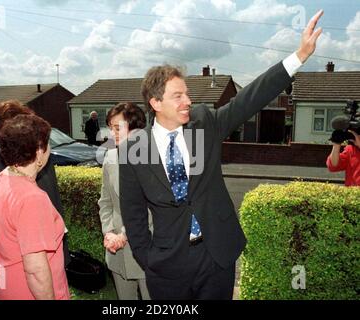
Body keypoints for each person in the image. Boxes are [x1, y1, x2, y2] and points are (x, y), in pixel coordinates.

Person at [119, 10, 324, 299]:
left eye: (187, 94)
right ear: (155, 102)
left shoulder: (204, 122)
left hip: (216, 258)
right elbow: (134, 213)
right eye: (178, 96)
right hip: (167, 268)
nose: (188, 101)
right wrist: (149, 260)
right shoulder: (133, 150)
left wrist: (299, 56)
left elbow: (247, 100)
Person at [0, 100, 70, 279]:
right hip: (7, 265)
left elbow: (54, 202)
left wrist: (63, 254)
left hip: (48, 257)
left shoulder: (42, 156)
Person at [0, 113, 70, 300]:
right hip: (28, 290)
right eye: (48, 145)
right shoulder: (32, 198)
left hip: (6, 283)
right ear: (39, 152)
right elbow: (36, 270)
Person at [98, 102, 151, 300]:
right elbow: (105, 201)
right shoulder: (110, 157)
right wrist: (109, 232)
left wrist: (124, 236)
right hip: (117, 252)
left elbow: (152, 208)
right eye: (110, 128)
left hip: (146, 249)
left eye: (117, 128)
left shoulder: (152, 159)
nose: (112, 134)